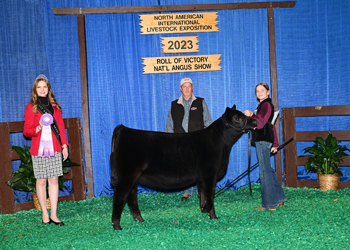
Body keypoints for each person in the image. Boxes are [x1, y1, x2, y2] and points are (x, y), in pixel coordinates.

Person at [23, 74, 69, 225]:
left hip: (55, 148)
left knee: (54, 179)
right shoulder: (31, 108)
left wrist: (64, 146)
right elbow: (26, 131)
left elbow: (61, 127)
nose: (42, 89)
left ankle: (54, 214)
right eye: (39, 87)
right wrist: (38, 127)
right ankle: (44, 213)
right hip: (39, 149)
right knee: (41, 181)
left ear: (48, 89)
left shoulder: (55, 106)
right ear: (35, 90)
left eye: (45, 87)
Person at [166, 77, 213, 201]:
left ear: (192, 88)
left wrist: (212, 138)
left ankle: (200, 190)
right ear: (181, 89)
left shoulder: (200, 102)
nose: (187, 89)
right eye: (184, 86)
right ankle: (187, 191)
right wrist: (169, 140)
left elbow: (208, 121)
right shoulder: (174, 104)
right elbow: (170, 124)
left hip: (198, 141)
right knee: (185, 166)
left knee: (199, 166)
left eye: (189, 86)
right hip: (180, 141)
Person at [244, 82, 287, 211]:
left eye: (262, 90)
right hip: (265, 140)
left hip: (262, 140)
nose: (260, 93)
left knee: (264, 172)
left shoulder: (266, 105)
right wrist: (275, 144)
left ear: (268, 92)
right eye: (257, 91)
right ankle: (279, 199)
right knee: (268, 170)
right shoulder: (264, 106)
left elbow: (261, 123)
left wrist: (251, 115)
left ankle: (269, 204)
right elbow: (271, 125)